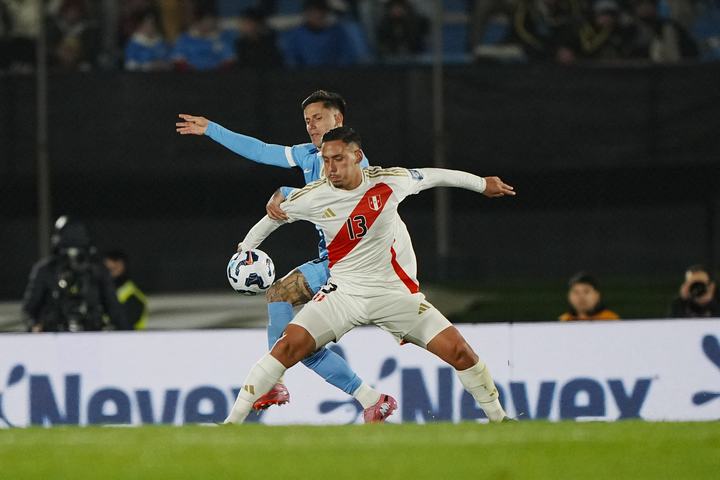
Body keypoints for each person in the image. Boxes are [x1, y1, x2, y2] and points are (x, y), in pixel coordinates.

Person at [224, 126, 516, 425]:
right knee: (286, 347)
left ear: (357, 155)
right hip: (344, 294)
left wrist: (482, 184)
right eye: (326, 160)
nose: (330, 168)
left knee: (460, 352)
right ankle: (231, 424)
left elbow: (435, 175)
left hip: (394, 296)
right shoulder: (315, 196)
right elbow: (273, 218)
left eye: (338, 159)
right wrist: (246, 248)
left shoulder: (390, 181)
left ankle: (500, 419)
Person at [176, 90, 411, 422]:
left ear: (338, 119)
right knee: (300, 342)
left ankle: (273, 382)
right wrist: (212, 129)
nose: (311, 125)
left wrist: (288, 193)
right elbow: (261, 150)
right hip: (331, 263)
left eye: (318, 118)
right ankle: (371, 399)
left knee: (282, 302)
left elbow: (332, 198)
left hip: (354, 265)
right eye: (307, 120)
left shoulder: (352, 163)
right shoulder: (307, 155)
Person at [21, 216, 130, 333]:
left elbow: (115, 311)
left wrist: (127, 336)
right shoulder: (46, 270)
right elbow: (29, 310)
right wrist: (35, 326)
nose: (73, 261)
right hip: (55, 335)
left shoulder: (97, 270)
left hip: (90, 335)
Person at [279, 0, 361, 67]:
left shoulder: (338, 32)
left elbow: (348, 57)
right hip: (304, 77)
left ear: (326, 13)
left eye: (321, 12)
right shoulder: (295, 35)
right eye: (313, 12)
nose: (317, 15)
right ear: (306, 13)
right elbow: (291, 60)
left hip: (335, 76)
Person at [171, 6, 235, 71]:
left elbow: (229, 59)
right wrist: (191, 70)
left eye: (212, 21)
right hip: (190, 74)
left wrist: (217, 70)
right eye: (206, 21)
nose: (210, 24)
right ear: (198, 22)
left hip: (217, 74)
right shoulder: (184, 38)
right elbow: (177, 60)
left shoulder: (221, 38)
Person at [103, 250, 149, 330]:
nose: (109, 273)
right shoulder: (102, 292)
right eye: (106, 269)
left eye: (114, 268)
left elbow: (124, 325)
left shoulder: (133, 296)